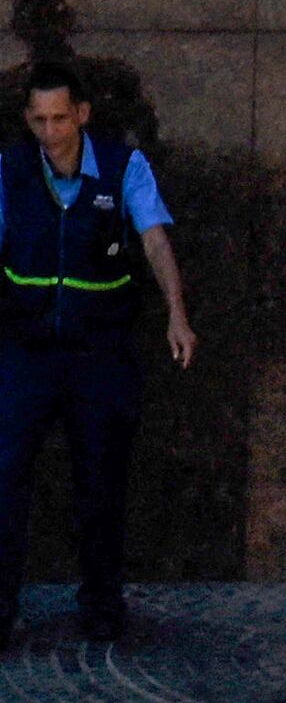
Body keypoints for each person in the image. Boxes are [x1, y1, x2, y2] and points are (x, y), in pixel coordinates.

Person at [0, 60, 191, 648]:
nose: (50, 132)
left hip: (99, 352)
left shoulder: (122, 166)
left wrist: (176, 313)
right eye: (39, 119)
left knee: (101, 479)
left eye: (60, 118)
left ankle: (103, 608)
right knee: (4, 476)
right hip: (27, 349)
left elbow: (154, 237)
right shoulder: (9, 171)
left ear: (82, 114)